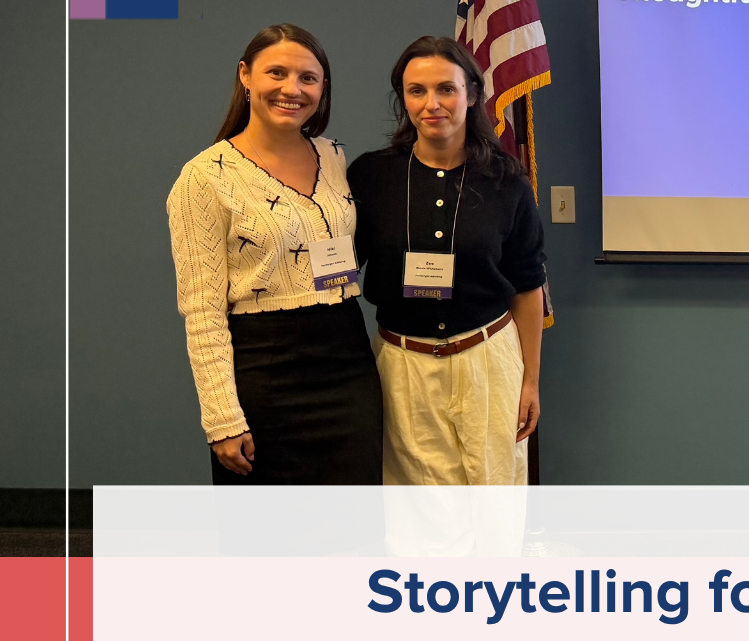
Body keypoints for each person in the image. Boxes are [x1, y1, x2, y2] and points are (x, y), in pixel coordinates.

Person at [166, 24, 382, 484]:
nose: (292, 89)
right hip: (265, 371)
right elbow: (202, 311)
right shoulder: (204, 177)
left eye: (308, 78)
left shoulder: (336, 157)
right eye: (277, 73)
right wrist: (222, 417)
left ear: (323, 89)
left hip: (347, 364)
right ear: (245, 76)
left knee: (352, 529)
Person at [347, 36, 546, 485]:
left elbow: (528, 285)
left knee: (495, 512)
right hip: (403, 366)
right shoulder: (370, 176)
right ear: (403, 98)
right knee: (419, 518)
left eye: (446, 89)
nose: (431, 104)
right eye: (417, 91)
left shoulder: (507, 181)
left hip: (487, 360)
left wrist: (530, 380)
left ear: (471, 94)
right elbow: (340, 267)